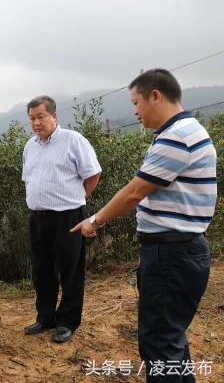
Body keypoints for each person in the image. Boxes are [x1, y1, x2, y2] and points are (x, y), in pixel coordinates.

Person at [71, 69, 215, 382]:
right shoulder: (183, 132)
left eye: (137, 102)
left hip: (172, 255)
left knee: (160, 342)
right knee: (169, 339)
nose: (135, 110)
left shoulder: (177, 136)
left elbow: (135, 192)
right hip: (176, 252)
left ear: (155, 96)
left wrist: (94, 220)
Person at [22, 96, 102, 343]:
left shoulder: (73, 140)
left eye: (41, 117)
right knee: (41, 269)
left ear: (54, 116)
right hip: (38, 216)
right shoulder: (30, 146)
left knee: (70, 269)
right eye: (32, 118)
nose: (36, 123)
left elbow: (93, 174)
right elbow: (29, 178)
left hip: (69, 216)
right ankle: (46, 317)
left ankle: (67, 321)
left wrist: (79, 197)